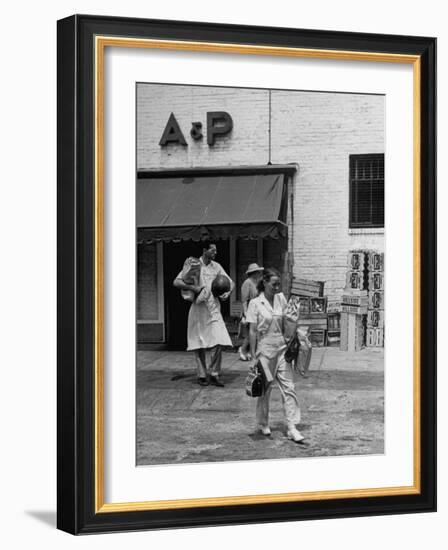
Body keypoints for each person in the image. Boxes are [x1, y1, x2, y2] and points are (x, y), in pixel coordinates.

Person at [246, 268, 304, 443]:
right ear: (264, 282)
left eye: (279, 284)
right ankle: (263, 422)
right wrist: (254, 355)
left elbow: (288, 320)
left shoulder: (281, 298)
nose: (278, 287)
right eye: (274, 284)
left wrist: (295, 334)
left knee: (289, 387)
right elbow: (253, 330)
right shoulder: (255, 303)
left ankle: (292, 427)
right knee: (265, 389)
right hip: (265, 350)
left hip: (282, 349)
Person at [173, 241, 234, 387]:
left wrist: (227, 292)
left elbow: (230, 283)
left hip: (214, 308)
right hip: (198, 308)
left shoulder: (216, 266)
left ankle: (214, 373)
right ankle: (201, 374)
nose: (215, 253)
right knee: (199, 343)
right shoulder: (194, 264)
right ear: (204, 250)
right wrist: (193, 288)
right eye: (212, 250)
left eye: (216, 251)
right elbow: (176, 282)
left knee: (219, 340)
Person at [238, 263, 264, 361]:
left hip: (257, 309)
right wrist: (245, 314)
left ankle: (250, 352)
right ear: (253, 273)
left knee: (256, 332)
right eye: (257, 272)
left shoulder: (257, 282)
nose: (259, 273)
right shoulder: (247, 283)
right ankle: (243, 349)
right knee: (250, 333)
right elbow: (244, 300)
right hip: (249, 310)